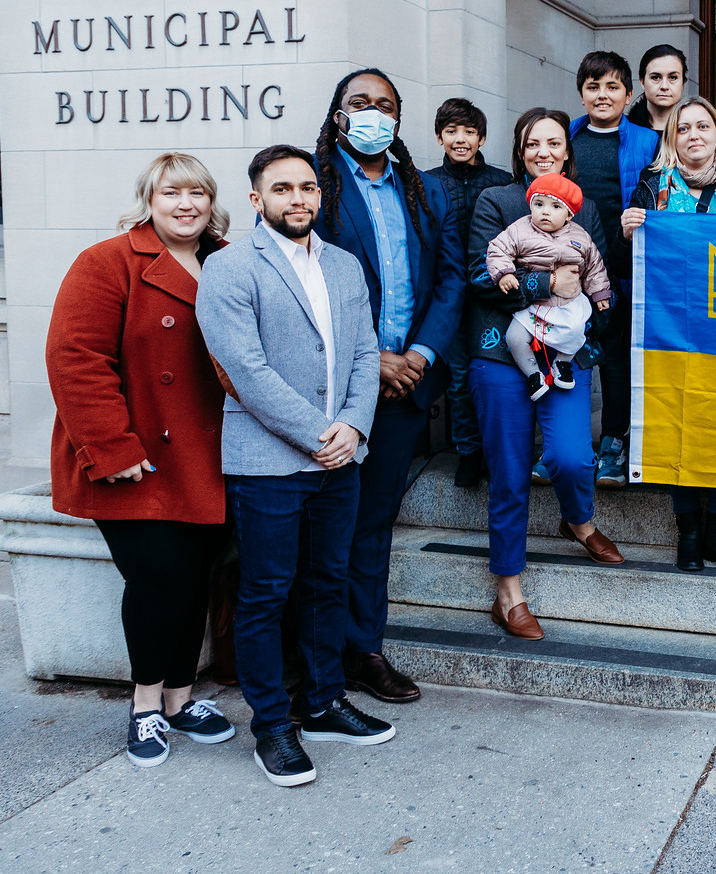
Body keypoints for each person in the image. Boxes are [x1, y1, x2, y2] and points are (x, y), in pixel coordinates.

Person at [197, 144, 391, 789]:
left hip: (341, 457)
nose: (298, 199)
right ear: (257, 200)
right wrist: (317, 434)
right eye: (282, 189)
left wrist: (354, 426)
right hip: (269, 461)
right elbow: (246, 372)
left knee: (326, 583)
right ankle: (272, 726)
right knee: (266, 593)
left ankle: (323, 701)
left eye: (307, 187)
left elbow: (367, 354)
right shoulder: (229, 268)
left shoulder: (343, 265)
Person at [45, 153, 236, 769]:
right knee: (160, 580)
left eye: (198, 193)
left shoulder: (228, 260)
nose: (186, 204)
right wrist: (113, 448)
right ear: (148, 200)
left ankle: (182, 702)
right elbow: (75, 359)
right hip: (139, 457)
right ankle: (145, 707)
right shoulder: (107, 262)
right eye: (171, 193)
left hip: (212, 454)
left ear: (212, 202)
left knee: (195, 578)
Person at [311, 67, 467, 706]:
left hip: (408, 386)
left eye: (385, 105)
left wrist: (420, 355)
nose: (373, 113)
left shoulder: (424, 190)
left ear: (399, 120)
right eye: (360, 103)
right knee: (327, 525)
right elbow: (306, 288)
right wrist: (369, 359)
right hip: (337, 388)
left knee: (375, 523)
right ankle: (317, 655)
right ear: (339, 114)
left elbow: (453, 279)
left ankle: (364, 649)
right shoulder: (313, 187)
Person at [465, 107, 625, 642]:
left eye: (554, 143)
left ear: (567, 152)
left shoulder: (586, 211)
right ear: (520, 149)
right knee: (510, 475)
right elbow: (478, 275)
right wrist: (546, 287)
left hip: (565, 352)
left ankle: (577, 520)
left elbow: (599, 272)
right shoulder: (499, 203)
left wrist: (594, 309)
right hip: (501, 356)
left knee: (573, 456)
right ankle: (508, 593)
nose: (543, 152)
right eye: (533, 143)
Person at [619, 96, 716, 575]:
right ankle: (689, 536)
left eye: (704, 127)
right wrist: (628, 229)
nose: (694, 135)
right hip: (673, 330)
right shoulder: (651, 185)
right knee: (682, 426)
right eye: (684, 129)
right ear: (671, 137)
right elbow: (632, 262)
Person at [566, 50, 661, 488]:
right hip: (570, 269)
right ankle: (566, 443)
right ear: (581, 94)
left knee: (618, 359)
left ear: (628, 94)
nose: (602, 95)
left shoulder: (647, 141)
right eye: (593, 86)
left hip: (625, 268)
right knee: (569, 354)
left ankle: (613, 443)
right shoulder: (565, 138)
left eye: (612, 87)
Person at [424, 98, 512, 490]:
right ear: (439, 137)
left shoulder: (501, 181)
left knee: (497, 374)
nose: (460, 139)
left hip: (495, 293)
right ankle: (468, 451)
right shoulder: (425, 183)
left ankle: (501, 450)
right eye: (452, 131)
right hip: (450, 295)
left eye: (469, 132)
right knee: (459, 378)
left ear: (482, 138)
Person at [487, 172, 612, 399]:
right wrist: (504, 272)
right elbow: (497, 249)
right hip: (535, 303)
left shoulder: (580, 236)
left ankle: (562, 364)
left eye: (555, 207)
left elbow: (595, 265)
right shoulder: (520, 229)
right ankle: (533, 374)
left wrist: (600, 293)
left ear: (569, 215)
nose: (545, 211)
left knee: (577, 331)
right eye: (539, 204)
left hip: (569, 302)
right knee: (514, 337)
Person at [627, 44, 688, 142]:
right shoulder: (625, 130)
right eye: (655, 77)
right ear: (642, 82)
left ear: (682, 83)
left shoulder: (695, 133)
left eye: (673, 77)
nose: (664, 86)